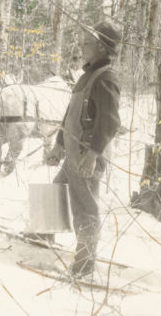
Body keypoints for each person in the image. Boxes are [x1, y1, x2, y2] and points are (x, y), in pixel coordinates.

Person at [46, 20, 121, 279]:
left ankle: (84, 264)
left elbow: (109, 123)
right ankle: (43, 234)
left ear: (101, 47)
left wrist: (92, 156)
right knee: (56, 188)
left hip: (88, 156)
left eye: (87, 42)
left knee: (85, 208)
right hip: (73, 153)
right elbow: (70, 115)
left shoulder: (106, 79)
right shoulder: (86, 76)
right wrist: (58, 144)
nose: (82, 46)